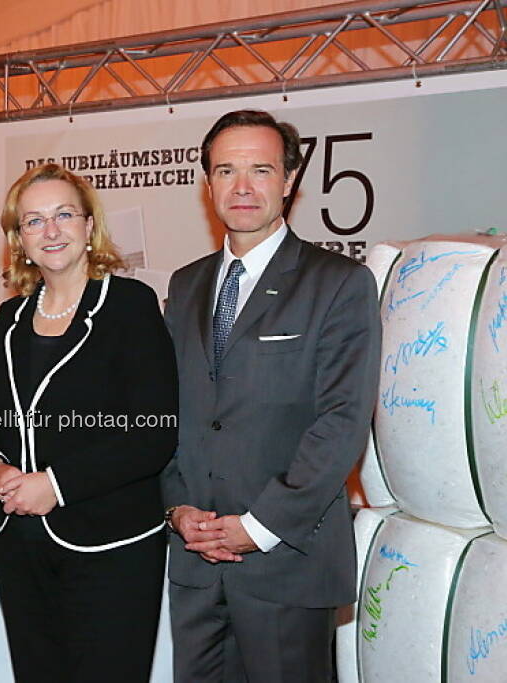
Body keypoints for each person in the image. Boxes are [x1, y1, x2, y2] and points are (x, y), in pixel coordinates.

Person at [162, 109, 382, 682]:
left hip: (286, 565)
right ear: (207, 184)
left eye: (259, 170)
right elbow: (169, 415)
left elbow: (342, 421)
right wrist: (178, 510)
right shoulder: (184, 286)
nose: (241, 187)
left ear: (289, 181)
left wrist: (258, 526)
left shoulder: (337, 283)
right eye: (225, 170)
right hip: (195, 567)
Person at [0, 163, 178, 682]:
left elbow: (153, 433)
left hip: (111, 545)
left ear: (90, 227)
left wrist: (56, 486)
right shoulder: (9, 319)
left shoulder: (130, 305)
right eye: (34, 221)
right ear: (19, 239)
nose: (52, 230)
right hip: (21, 545)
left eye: (64, 215)